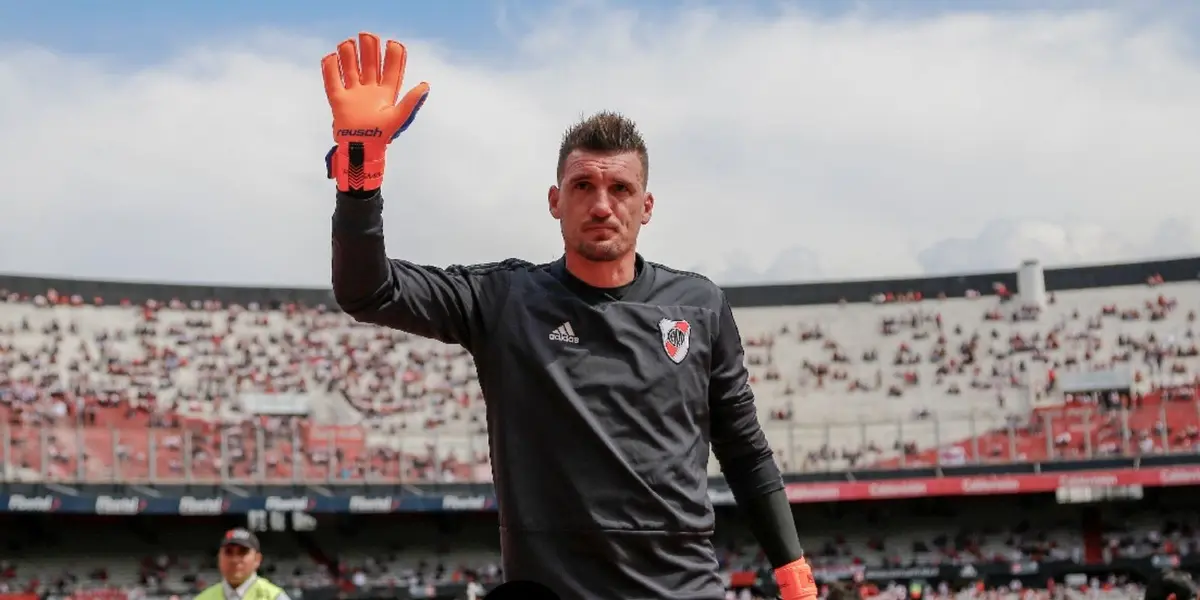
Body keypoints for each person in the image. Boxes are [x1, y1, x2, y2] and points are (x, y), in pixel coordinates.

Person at [321, 32, 817, 600]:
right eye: (583, 186)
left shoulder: (699, 306)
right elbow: (367, 291)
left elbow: (745, 450)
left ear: (646, 205)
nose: (602, 204)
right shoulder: (504, 299)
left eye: (620, 188)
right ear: (556, 200)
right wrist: (360, 178)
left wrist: (792, 568)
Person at [194, 529, 290, 600]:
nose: (235, 559)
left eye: (243, 552)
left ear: (257, 559)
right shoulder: (203, 598)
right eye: (228, 552)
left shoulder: (274, 597)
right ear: (219, 557)